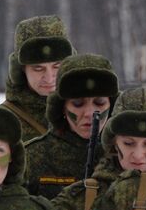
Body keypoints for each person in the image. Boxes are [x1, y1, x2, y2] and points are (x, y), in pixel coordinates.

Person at [23, 53, 119, 200]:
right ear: (62, 107)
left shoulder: (128, 154)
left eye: (99, 103)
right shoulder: (32, 157)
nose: (89, 113)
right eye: (78, 104)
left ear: (112, 106)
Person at [2, 15, 74, 138]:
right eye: (38, 68)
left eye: (57, 66)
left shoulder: (93, 111)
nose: (50, 78)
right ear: (21, 70)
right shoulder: (4, 122)